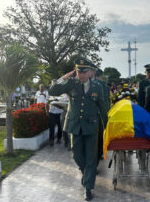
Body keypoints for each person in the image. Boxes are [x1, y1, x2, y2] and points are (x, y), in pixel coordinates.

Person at [49, 57, 107, 201]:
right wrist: (66, 76)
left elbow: (103, 108)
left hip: (92, 127)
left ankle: (88, 188)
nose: (81, 74)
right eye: (78, 71)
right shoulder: (71, 83)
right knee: (77, 156)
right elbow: (53, 90)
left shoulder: (98, 87)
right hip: (75, 126)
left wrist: (106, 127)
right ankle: (86, 173)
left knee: (91, 158)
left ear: (90, 72)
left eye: (84, 71)